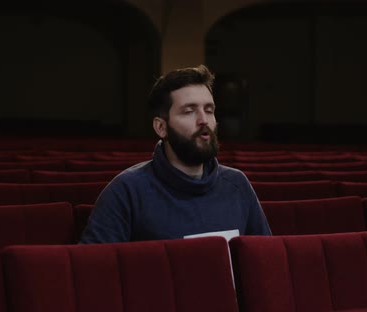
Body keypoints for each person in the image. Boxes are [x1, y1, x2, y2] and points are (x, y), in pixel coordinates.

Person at [80, 65, 271, 243]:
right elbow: (94, 270)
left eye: (209, 110)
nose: (203, 120)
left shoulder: (237, 184)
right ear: (161, 127)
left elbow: (264, 262)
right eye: (189, 111)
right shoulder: (126, 190)